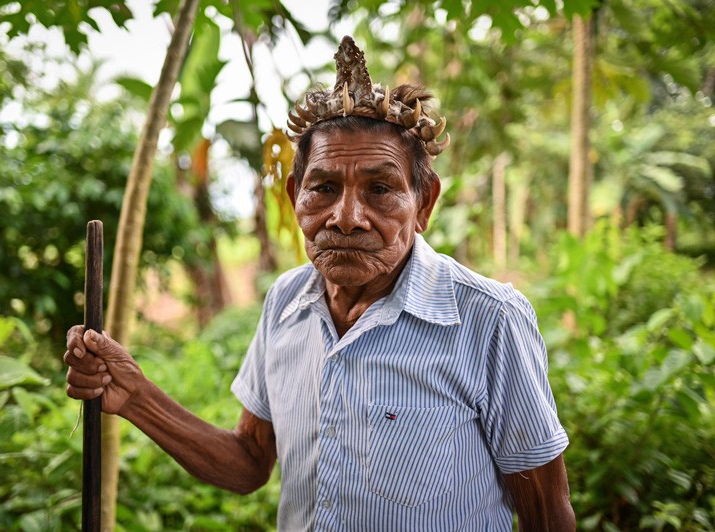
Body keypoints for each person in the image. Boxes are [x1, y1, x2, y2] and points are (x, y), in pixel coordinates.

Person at [65, 36, 575, 531]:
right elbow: (248, 463)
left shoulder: (488, 319)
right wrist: (133, 395)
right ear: (295, 196)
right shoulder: (285, 302)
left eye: (380, 189)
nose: (347, 217)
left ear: (424, 204)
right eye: (324, 188)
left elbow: (547, 517)